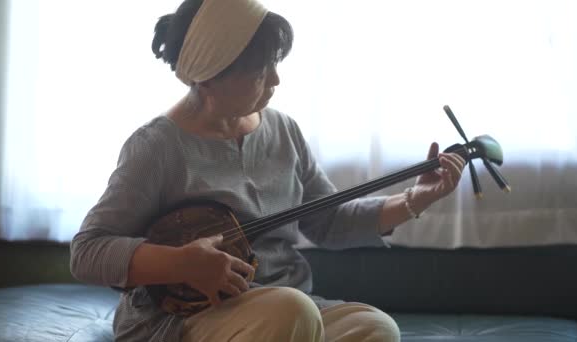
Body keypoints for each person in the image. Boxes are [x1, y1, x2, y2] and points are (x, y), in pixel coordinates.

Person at [69, 0, 466, 341]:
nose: (276, 80)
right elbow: (87, 252)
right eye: (261, 72)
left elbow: (328, 221)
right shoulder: (157, 147)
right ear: (210, 78)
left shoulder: (282, 130)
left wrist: (416, 198)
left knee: (375, 329)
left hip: (284, 307)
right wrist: (181, 263)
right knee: (290, 312)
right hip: (186, 318)